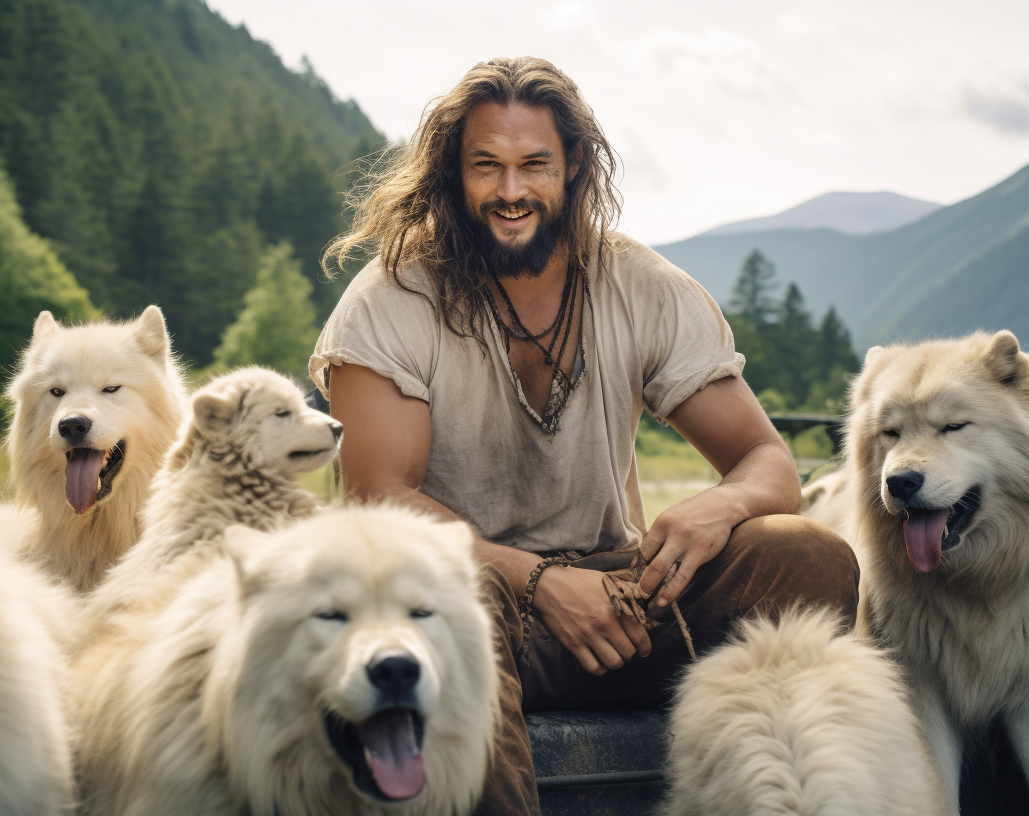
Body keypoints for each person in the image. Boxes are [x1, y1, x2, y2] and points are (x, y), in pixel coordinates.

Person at [310, 56, 857, 814]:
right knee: (450, 608)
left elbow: (766, 461)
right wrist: (537, 581)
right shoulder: (392, 300)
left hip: (621, 597)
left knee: (808, 558)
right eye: (486, 167)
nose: (510, 191)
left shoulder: (642, 285)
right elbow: (381, 501)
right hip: (465, 591)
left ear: (573, 168)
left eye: (534, 164)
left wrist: (717, 507)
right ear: (451, 176)